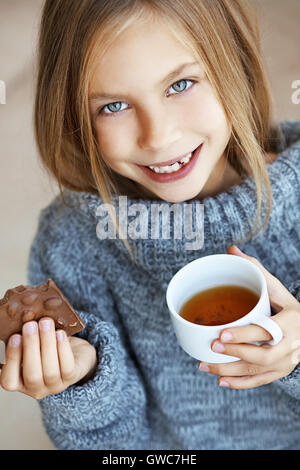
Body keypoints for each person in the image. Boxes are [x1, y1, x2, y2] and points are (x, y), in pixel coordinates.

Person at [1, 0, 300, 450]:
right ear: (74, 118)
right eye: (114, 105)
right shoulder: (73, 242)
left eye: (181, 84)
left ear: (232, 66)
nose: (158, 137)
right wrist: (84, 382)